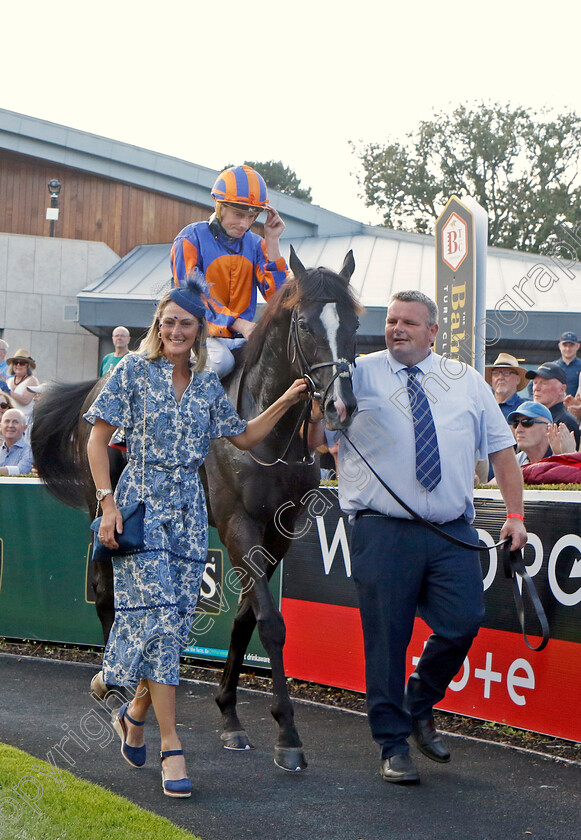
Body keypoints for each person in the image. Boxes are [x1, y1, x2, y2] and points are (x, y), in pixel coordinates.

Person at [84, 276, 309, 799]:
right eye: (169, 323)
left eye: (186, 323)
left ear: (199, 329)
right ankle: (171, 745)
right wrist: (108, 503)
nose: (176, 331)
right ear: (157, 328)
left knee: (177, 624)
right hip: (140, 504)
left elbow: (245, 436)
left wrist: (288, 398)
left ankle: (132, 704)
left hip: (189, 508)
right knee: (159, 618)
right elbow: (99, 439)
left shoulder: (208, 385)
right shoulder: (133, 373)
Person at [309, 290, 526, 784]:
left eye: (409, 322)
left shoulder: (467, 381)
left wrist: (515, 514)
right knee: (387, 639)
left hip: (452, 530)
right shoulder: (356, 373)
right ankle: (392, 744)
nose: (397, 329)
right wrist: (320, 412)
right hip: (382, 530)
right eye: (390, 321)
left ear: (432, 332)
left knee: (464, 622)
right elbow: (316, 442)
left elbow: (502, 451)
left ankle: (419, 702)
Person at [171, 164, 289, 377]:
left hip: (242, 338)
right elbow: (190, 298)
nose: (245, 224)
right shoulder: (190, 238)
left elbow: (280, 299)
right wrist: (240, 324)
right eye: (239, 214)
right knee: (220, 362)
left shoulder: (257, 245)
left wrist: (272, 241)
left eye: (252, 217)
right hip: (196, 334)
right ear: (220, 207)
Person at [526, 362, 580, 448]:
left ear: (562, 389)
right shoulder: (529, 418)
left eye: (544, 383)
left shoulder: (565, 424)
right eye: (535, 383)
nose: (536, 388)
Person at [6, 349, 39, 436]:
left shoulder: (32, 380)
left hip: (24, 422)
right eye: (16, 362)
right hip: (9, 422)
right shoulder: (9, 381)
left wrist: (8, 392)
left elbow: (25, 400)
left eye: (22, 363)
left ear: (27, 366)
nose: (18, 365)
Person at [484, 353, 527, 419]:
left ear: (517, 379)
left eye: (506, 372)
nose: (500, 377)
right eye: (496, 373)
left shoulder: (525, 409)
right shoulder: (484, 406)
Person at [0, 408, 34, 475]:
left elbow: (22, 470)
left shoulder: (29, 451)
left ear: (24, 428)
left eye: (15, 422)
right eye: (7, 421)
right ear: (1, 426)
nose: (10, 425)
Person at [551, 331, 581, 396]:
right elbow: (533, 384)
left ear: (578, 346)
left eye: (571, 345)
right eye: (565, 345)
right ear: (559, 346)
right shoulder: (552, 367)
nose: (568, 349)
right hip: (557, 405)